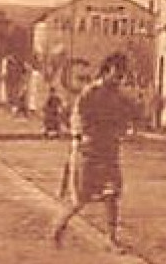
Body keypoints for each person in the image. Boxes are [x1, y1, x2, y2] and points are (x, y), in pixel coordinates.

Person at [51, 54, 137, 250]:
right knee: (80, 199)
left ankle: (112, 239)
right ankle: (59, 225)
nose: (119, 78)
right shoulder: (91, 92)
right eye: (117, 73)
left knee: (112, 194)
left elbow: (128, 114)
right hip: (87, 151)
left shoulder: (119, 95)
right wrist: (80, 135)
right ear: (107, 71)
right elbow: (77, 116)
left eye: (122, 74)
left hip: (109, 150)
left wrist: (127, 126)